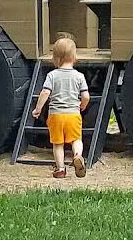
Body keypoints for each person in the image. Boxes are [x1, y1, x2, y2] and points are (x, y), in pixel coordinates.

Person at [32, 38, 90, 178]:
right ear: (74, 56)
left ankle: (61, 169)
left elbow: (45, 92)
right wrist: (83, 104)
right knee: (76, 139)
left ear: (55, 58)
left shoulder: (52, 75)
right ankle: (77, 155)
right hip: (73, 114)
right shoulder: (79, 76)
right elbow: (86, 96)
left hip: (56, 115)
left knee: (58, 144)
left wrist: (38, 109)